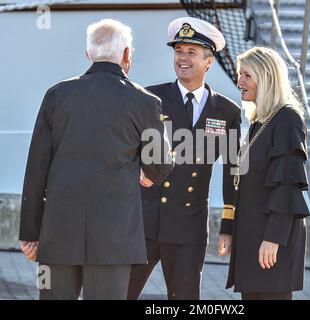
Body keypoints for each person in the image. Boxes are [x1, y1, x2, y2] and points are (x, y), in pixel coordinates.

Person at [18, 19, 173, 300]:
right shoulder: (145, 102)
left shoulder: (56, 95)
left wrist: (30, 231)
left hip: (58, 232)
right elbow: (160, 166)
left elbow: (36, 168)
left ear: (88, 54)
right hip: (114, 239)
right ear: (127, 54)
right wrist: (145, 171)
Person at [127, 17, 241, 300]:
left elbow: (234, 170)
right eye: (178, 51)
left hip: (189, 225)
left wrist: (228, 225)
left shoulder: (227, 111)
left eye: (191, 52)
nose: (183, 58)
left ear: (209, 60)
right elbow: (125, 153)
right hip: (144, 220)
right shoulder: (150, 99)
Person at [218, 46, 310, 300]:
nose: (240, 82)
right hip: (253, 236)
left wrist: (273, 238)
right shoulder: (261, 121)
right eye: (240, 75)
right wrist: (229, 227)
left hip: (271, 240)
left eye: (247, 75)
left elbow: (288, 185)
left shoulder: (287, 118)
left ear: (266, 77)